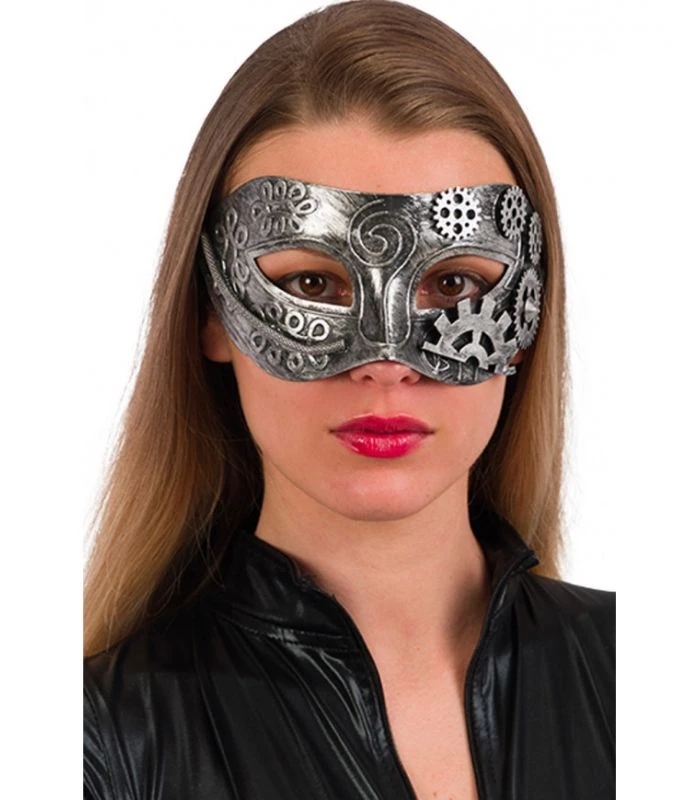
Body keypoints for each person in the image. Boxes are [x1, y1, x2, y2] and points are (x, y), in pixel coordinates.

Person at [83, 1, 615, 798]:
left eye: (453, 283)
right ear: (211, 311)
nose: (386, 361)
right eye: (311, 283)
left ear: (531, 310)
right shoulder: (97, 747)